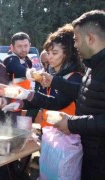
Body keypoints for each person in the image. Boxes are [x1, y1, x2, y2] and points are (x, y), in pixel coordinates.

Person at [41, 10, 105, 179]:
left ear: (90, 38)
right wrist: (54, 81)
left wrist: (72, 124)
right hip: (89, 151)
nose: (74, 46)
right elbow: (85, 92)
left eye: (76, 40)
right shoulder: (93, 66)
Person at [2, 24, 85, 129]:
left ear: (67, 54)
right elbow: (42, 100)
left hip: (66, 137)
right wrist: (22, 104)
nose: (49, 57)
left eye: (54, 53)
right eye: (48, 52)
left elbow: (56, 103)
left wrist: (28, 94)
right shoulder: (51, 76)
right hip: (48, 132)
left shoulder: (75, 77)